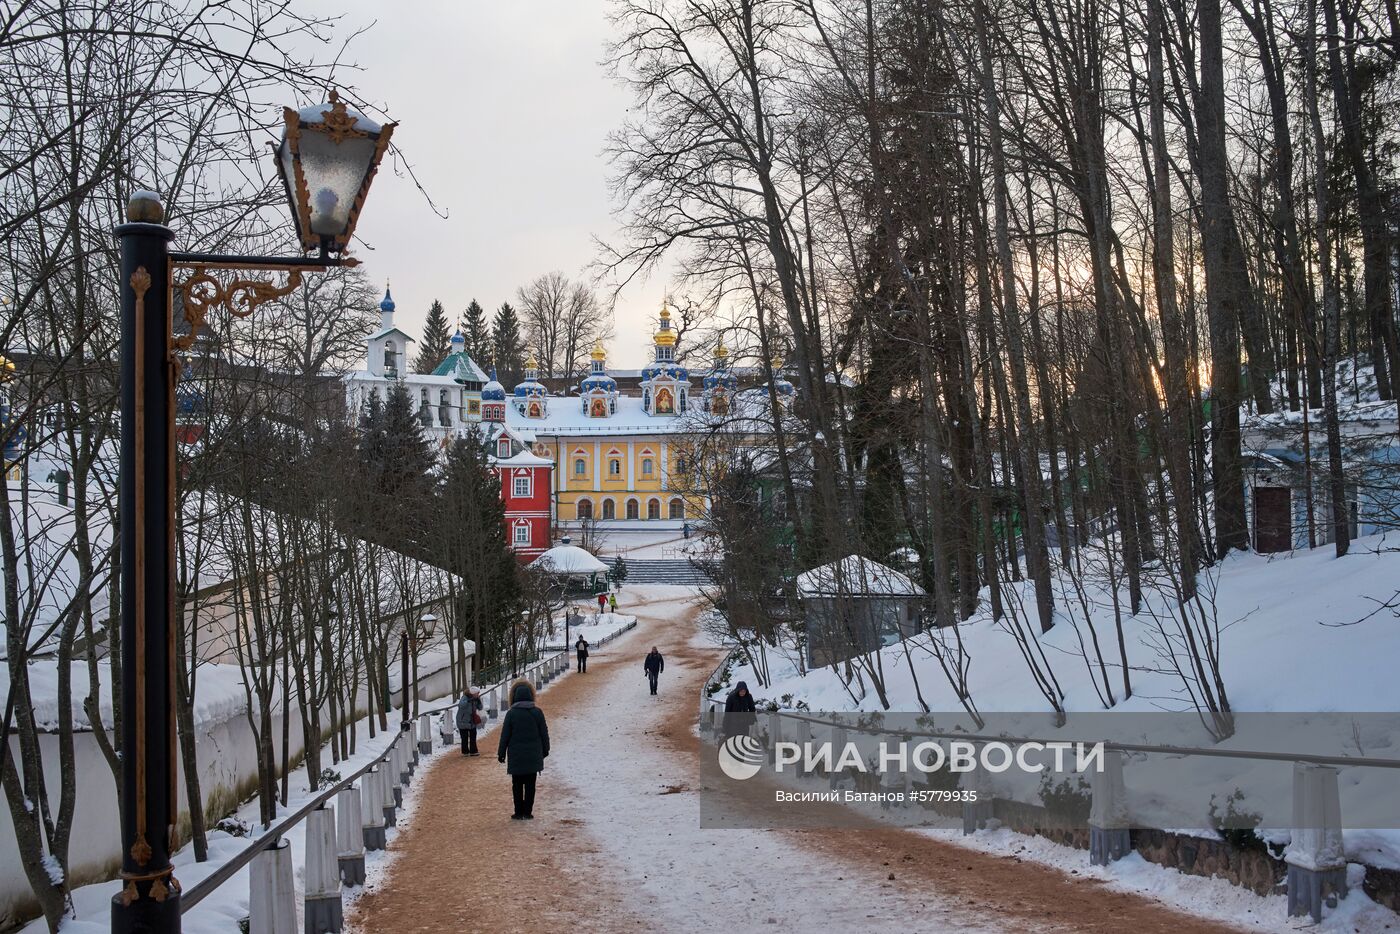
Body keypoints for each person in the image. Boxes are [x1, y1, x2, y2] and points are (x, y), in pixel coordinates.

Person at [498, 679, 549, 819]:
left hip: (516, 756)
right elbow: (544, 733)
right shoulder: (538, 713)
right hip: (533, 755)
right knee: (531, 785)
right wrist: (545, 750)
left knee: (517, 785)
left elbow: (505, 736)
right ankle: (528, 812)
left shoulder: (511, 714)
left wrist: (501, 753)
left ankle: (518, 812)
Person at [455, 686, 483, 756]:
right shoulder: (465, 697)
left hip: (471, 720)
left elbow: (480, 708)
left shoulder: (476, 699)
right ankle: (465, 752)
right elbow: (461, 705)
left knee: (473, 736)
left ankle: (473, 751)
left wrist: (479, 702)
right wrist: (469, 700)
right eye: (477, 693)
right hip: (462, 721)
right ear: (473, 693)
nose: (478, 694)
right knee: (464, 737)